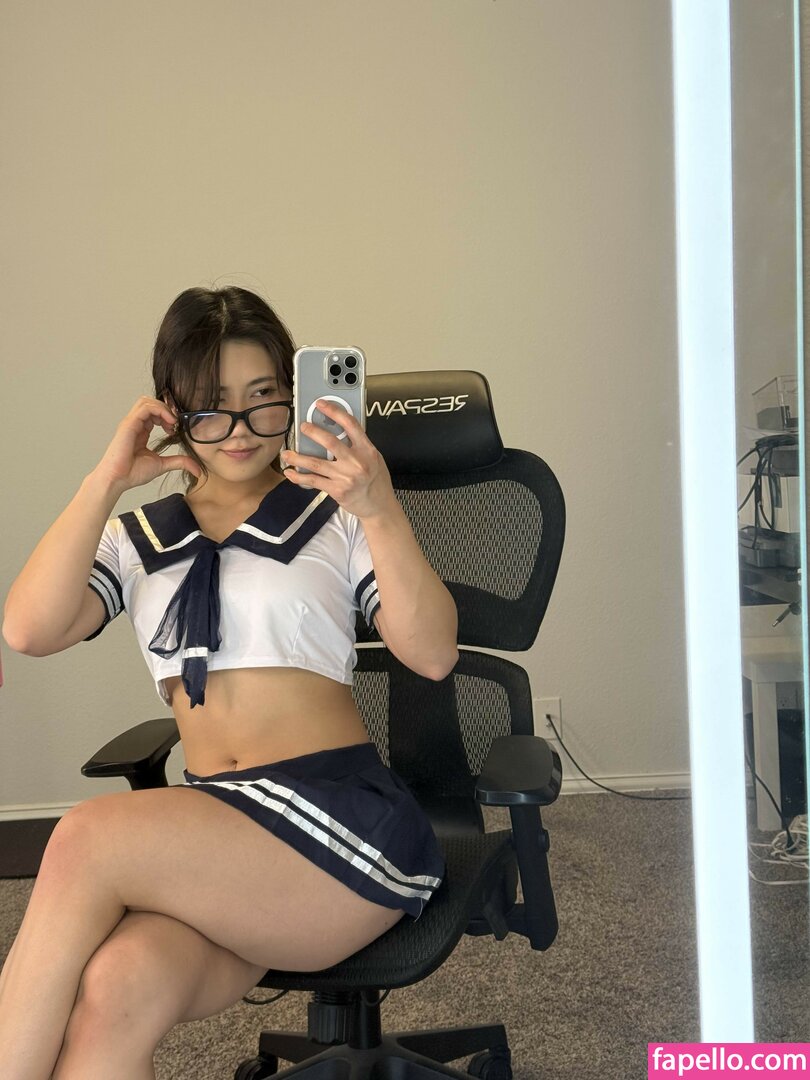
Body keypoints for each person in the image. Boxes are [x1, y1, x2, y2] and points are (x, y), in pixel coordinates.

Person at [0, 285, 457, 1080]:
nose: (240, 429)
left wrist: (382, 508)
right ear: (172, 412)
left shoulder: (336, 515)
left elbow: (433, 654)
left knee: (83, 839)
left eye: (263, 399)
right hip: (226, 840)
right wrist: (106, 479)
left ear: (293, 396)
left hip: (338, 822)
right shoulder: (137, 539)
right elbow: (28, 630)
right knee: (116, 987)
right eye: (212, 408)